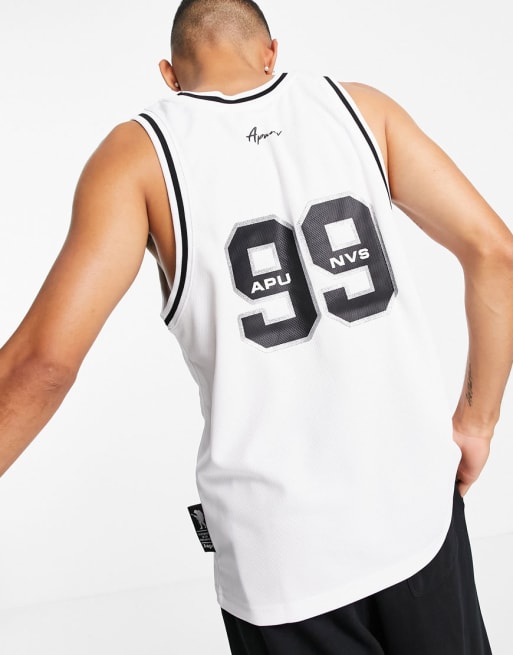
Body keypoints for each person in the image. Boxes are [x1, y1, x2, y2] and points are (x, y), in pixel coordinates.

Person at [1, 0, 512, 652]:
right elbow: (495, 254)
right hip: (417, 513)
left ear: (169, 74)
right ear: (271, 52)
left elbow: (42, 362)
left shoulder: (138, 156)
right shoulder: (362, 110)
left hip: (280, 557)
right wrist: (476, 421)